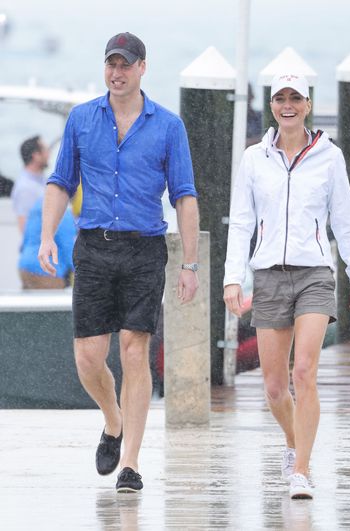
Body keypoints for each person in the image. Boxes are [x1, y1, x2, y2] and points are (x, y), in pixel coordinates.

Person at [38, 32, 199, 493]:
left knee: (134, 349)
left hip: (144, 249)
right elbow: (60, 180)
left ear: (143, 68)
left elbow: (184, 196)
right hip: (93, 246)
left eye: (126, 65)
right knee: (88, 359)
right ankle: (113, 421)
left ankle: (130, 464)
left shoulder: (168, 126)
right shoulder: (82, 119)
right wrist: (48, 235)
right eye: (111, 64)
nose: (117, 72)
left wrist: (189, 264)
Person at [223, 73, 350, 500]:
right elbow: (242, 223)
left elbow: (344, 220)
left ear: (308, 104)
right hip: (268, 274)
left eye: (296, 98)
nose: (288, 105)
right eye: (280, 98)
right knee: (274, 386)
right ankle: (292, 442)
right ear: (272, 106)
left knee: (304, 371)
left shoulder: (330, 156)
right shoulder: (254, 158)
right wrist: (234, 277)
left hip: (314, 276)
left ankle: (302, 470)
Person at [19, 198, 76, 289]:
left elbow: (25, 239)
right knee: (53, 302)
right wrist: (79, 269)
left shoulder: (37, 205)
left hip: (25, 266)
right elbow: (68, 247)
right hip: (47, 269)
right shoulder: (63, 211)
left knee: (30, 302)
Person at [11, 136, 50, 233]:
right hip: (41, 246)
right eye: (45, 150)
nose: (49, 154)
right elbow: (26, 231)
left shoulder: (42, 180)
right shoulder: (25, 188)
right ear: (36, 155)